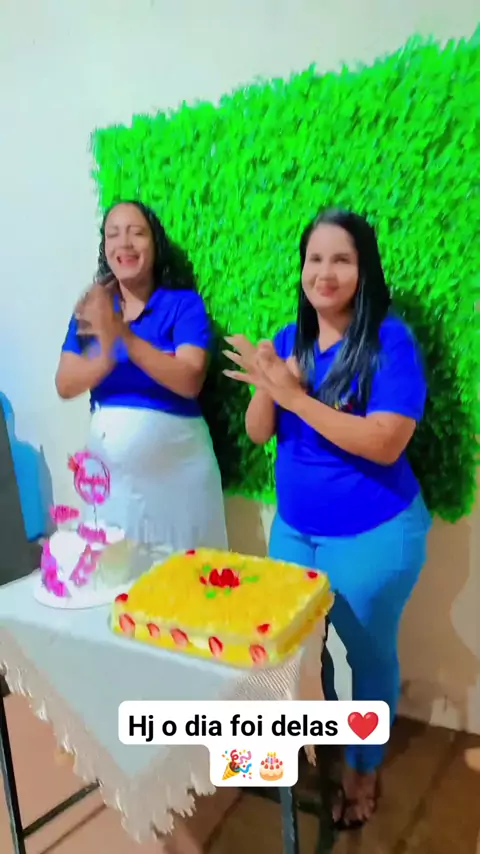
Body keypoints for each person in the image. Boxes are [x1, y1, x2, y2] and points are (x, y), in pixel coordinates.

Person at [223, 208, 431, 830]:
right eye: (315, 259)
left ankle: (363, 769)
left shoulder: (390, 341)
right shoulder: (290, 338)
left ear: (364, 270)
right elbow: (258, 431)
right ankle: (305, 752)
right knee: (295, 653)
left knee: (365, 658)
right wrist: (270, 384)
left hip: (375, 536)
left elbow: (385, 441)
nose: (325, 272)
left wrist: (296, 396)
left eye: (342, 259)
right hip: (295, 532)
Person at [55, 200, 227, 551]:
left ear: (155, 243)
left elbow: (189, 379)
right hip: (112, 485)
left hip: (181, 483)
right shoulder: (92, 310)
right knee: (118, 574)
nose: (125, 243)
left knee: (187, 576)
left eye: (137, 233)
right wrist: (106, 354)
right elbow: (66, 383)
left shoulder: (183, 305)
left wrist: (125, 338)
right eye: (113, 234)